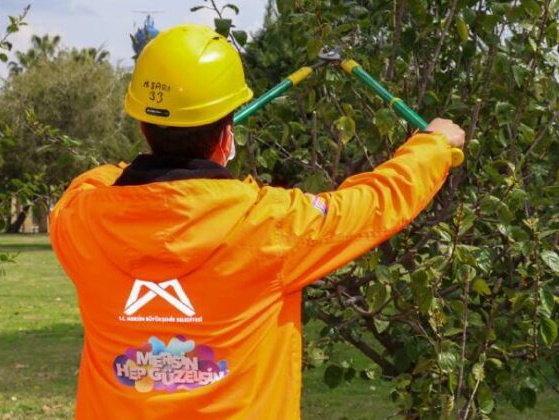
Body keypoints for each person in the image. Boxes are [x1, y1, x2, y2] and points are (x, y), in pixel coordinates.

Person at [50, 24, 465, 419]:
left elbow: (95, 180)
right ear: (227, 136)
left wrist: (152, 167)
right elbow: (374, 202)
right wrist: (433, 147)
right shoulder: (272, 225)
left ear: (144, 129)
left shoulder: (78, 219)